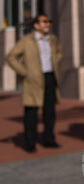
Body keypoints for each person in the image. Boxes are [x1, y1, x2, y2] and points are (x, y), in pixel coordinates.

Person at [6, 14, 63, 152]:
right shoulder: (26, 40)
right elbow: (11, 57)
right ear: (36, 25)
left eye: (49, 21)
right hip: (32, 80)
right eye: (44, 22)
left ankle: (49, 140)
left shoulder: (52, 39)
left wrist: (54, 63)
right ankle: (30, 143)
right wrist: (25, 72)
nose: (48, 24)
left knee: (49, 113)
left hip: (50, 78)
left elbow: (59, 52)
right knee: (31, 113)